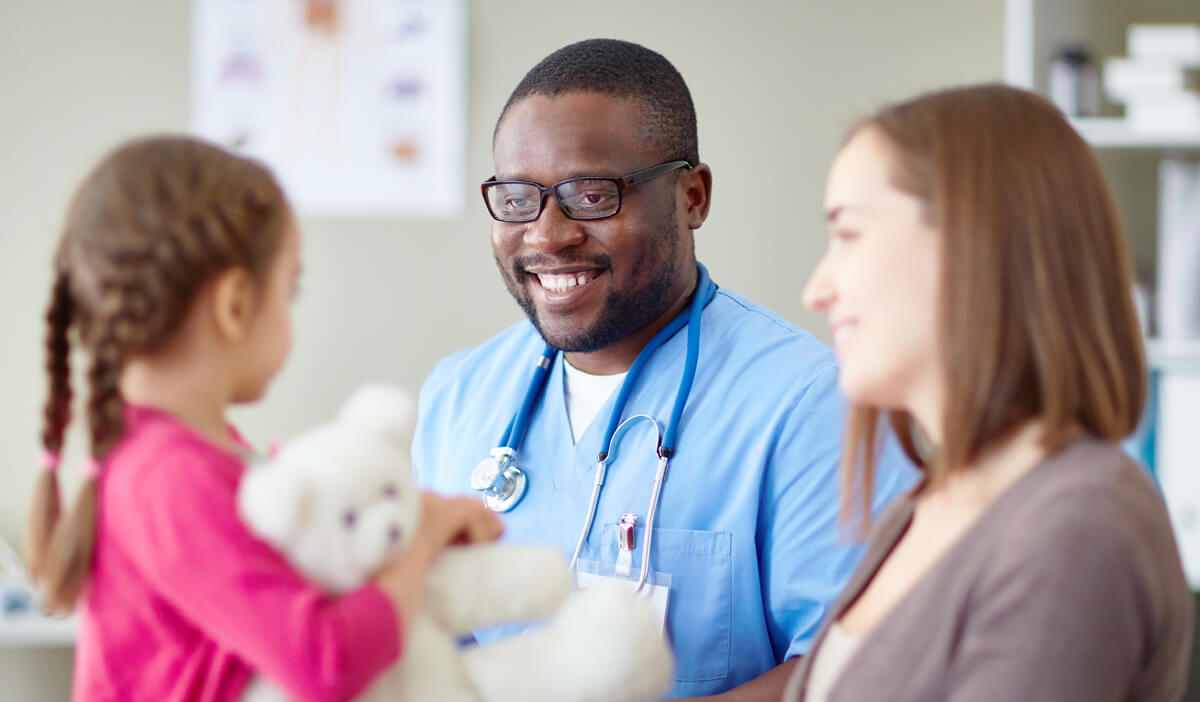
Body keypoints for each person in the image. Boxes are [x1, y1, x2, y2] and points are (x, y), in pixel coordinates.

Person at [412, 39, 914, 700]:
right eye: (517, 197)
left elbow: (860, 670)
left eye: (592, 195)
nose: (546, 234)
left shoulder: (813, 406)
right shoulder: (459, 396)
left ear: (692, 196)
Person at [23, 136, 503, 702]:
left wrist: (423, 527)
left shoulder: (189, 456)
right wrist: (420, 539)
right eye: (289, 290)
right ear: (233, 305)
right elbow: (327, 661)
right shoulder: (168, 478)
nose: (290, 312)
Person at [785, 83, 1194, 702]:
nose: (817, 290)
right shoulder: (924, 505)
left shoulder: (1076, 525)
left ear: (970, 242)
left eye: (848, 235)